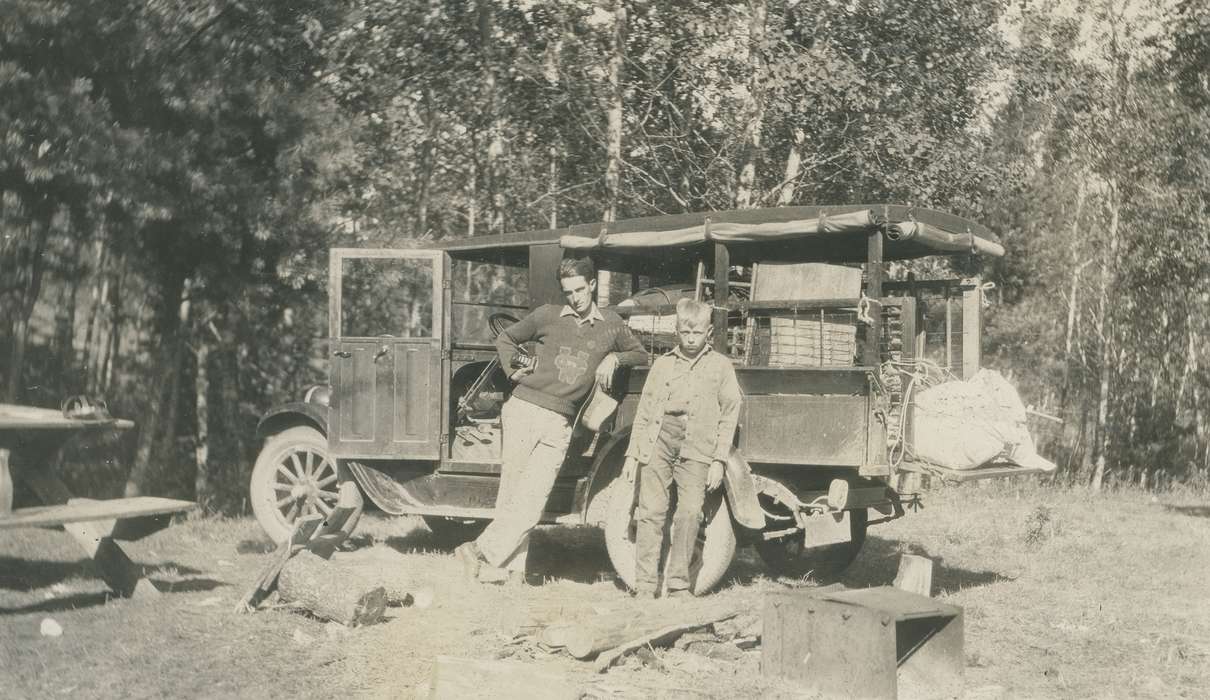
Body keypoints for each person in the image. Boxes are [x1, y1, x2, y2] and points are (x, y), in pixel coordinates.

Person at [456, 257, 648, 583]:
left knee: (533, 500)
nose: (574, 297)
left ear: (592, 285)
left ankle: (477, 551)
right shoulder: (547, 315)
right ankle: (510, 572)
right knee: (513, 494)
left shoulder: (612, 324)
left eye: (579, 290)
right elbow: (505, 339)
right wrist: (515, 367)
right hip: (522, 409)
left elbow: (641, 354)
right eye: (567, 291)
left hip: (560, 420)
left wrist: (615, 357)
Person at [623, 298, 741, 598]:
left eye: (697, 333)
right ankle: (646, 586)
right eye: (685, 333)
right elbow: (645, 411)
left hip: (698, 447)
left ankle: (678, 585)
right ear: (677, 330)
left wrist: (718, 460)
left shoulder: (721, 366)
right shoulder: (662, 365)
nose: (690, 339)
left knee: (689, 513)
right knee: (651, 512)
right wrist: (632, 454)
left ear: (709, 333)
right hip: (659, 442)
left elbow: (730, 413)